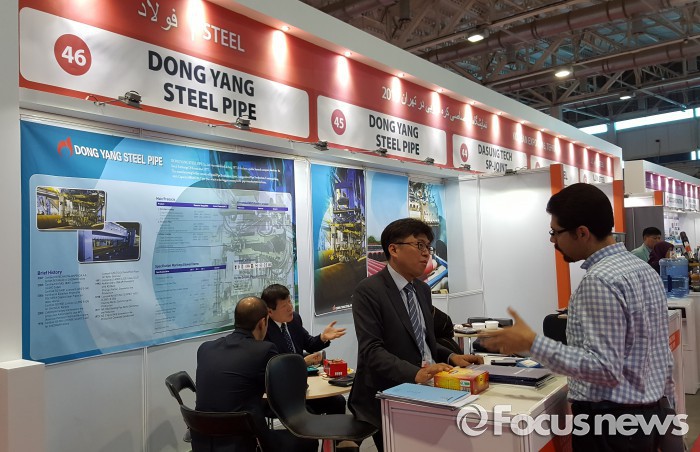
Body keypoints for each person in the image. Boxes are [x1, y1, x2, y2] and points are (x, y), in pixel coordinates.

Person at [479, 183, 675, 452]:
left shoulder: (600, 280)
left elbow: (604, 368)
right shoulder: (643, 270)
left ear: (582, 232)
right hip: (648, 417)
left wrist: (532, 344)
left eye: (555, 232)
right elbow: (662, 357)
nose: (552, 241)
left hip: (611, 426)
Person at [349, 218, 483, 451]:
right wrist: (416, 373)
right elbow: (372, 351)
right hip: (390, 394)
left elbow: (422, 341)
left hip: (430, 388)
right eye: (419, 245)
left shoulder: (421, 289)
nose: (426, 253)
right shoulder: (369, 291)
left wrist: (451, 357)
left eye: (428, 247)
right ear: (394, 249)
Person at [195, 297, 318, 452]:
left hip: (203, 441)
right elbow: (284, 394)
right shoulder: (264, 350)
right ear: (262, 323)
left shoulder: (205, 349)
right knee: (308, 440)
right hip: (245, 441)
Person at [261, 283, 347, 415]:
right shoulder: (264, 330)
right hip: (280, 392)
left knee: (339, 401)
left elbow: (309, 343)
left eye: (290, 302)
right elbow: (273, 368)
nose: (290, 308)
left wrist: (323, 337)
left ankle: (333, 430)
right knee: (308, 412)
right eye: (284, 306)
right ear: (270, 311)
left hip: (301, 385)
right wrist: (303, 362)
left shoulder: (294, 319)